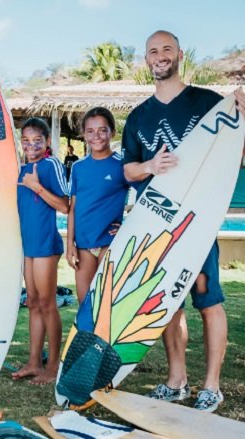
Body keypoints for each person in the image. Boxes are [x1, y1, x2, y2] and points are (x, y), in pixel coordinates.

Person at [122, 30, 245, 412]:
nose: (160, 56)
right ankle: (176, 381)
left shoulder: (209, 103)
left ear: (179, 55)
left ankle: (211, 385)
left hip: (198, 223)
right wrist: (149, 165)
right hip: (157, 226)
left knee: (209, 301)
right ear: (146, 60)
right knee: (167, 305)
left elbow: (234, 154)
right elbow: (128, 171)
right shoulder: (139, 116)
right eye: (153, 51)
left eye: (167, 50)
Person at [12, 117, 69, 385]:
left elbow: (65, 206)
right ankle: (34, 361)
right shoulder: (21, 169)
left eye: (37, 140)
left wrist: (37, 187)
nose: (31, 145)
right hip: (28, 248)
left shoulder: (51, 165)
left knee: (47, 304)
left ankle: (54, 365)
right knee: (32, 302)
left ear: (47, 142)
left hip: (46, 245)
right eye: (26, 140)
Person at [67, 107, 129, 303]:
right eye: (90, 131)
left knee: (107, 306)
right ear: (84, 134)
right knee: (85, 304)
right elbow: (73, 209)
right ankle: (88, 336)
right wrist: (70, 244)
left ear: (112, 132)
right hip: (84, 246)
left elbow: (146, 198)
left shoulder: (122, 165)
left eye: (102, 130)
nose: (97, 136)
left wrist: (129, 226)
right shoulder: (78, 167)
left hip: (108, 245)